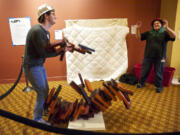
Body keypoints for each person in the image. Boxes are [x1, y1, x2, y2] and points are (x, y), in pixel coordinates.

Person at [23, 4, 73, 124]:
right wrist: (62, 50)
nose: (55, 16)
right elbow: (43, 53)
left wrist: (61, 45)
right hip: (32, 66)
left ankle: (44, 109)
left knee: (45, 90)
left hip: (39, 66)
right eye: (53, 14)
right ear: (46, 16)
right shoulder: (37, 31)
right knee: (41, 91)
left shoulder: (45, 32)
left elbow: (48, 47)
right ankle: (37, 118)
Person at [135, 18, 176, 93]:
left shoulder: (165, 33)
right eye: (154, 24)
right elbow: (138, 37)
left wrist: (167, 28)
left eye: (158, 23)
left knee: (158, 72)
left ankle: (158, 86)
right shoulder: (149, 33)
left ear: (161, 25)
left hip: (160, 57)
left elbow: (174, 36)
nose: (156, 24)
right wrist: (137, 29)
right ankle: (141, 83)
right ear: (152, 26)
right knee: (144, 71)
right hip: (148, 56)